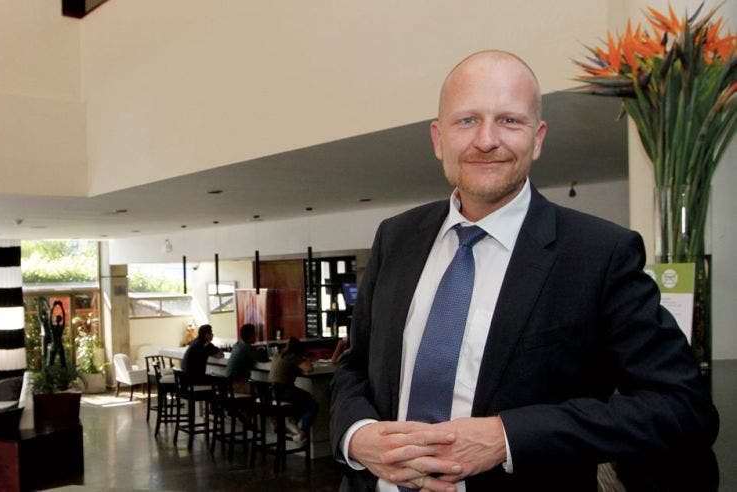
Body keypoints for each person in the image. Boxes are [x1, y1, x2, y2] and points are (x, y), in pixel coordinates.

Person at [330, 50, 718, 491]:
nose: (486, 140)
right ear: (439, 138)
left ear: (538, 138)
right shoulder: (395, 238)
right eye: (467, 121)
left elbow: (679, 405)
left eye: (510, 121)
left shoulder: (599, 254)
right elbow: (354, 367)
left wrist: (508, 437)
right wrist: (356, 436)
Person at [269, 337, 318, 444]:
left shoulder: (278, 355)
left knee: (301, 399)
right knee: (312, 405)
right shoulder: (293, 357)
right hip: (284, 392)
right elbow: (309, 368)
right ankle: (302, 433)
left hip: (272, 393)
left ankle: (292, 422)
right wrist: (305, 360)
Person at [225, 323, 269, 394]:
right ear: (251, 336)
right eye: (255, 334)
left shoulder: (237, 345)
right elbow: (263, 358)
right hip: (237, 385)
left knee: (261, 386)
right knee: (265, 389)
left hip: (229, 384)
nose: (256, 336)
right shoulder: (247, 348)